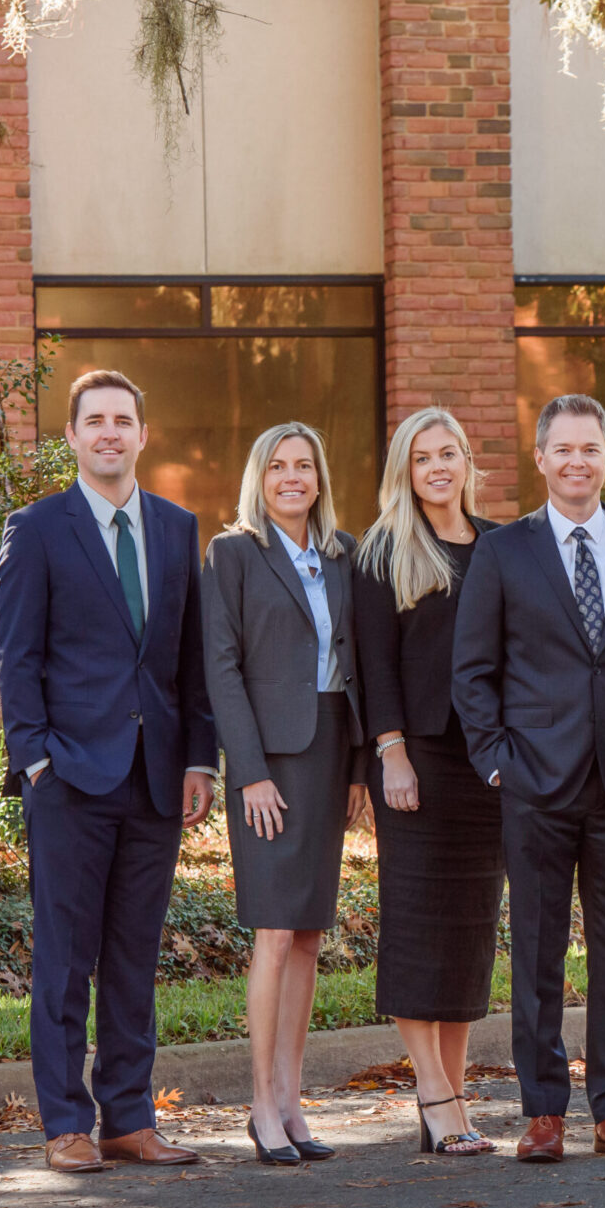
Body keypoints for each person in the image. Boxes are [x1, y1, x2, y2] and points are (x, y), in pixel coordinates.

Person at [451, 393, 605, 1164]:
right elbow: (472, 670)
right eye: (564, 449)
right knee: (537, 953)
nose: (577, 461)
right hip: (534, 782)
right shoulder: (503, 551)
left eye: (591, 448)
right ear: (541, 458)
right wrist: (496, 760)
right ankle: (544, 1111)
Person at [0, 369, 218, 1174]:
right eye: (95, 421)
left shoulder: (176, 528)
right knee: (64, 959)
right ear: (73, 436)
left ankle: (129, 1118)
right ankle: (65, 1124)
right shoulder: (37, 529)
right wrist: (36, 760)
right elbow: (17, 657)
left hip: (155, 777)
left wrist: (199, 757)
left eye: (123, 419)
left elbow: (190, 659)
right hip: (68, 778)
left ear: (143, 435)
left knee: (133, 956)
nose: (110, 433)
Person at [201, 422, 368, 1165]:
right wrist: (250, 771)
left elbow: (358, 663)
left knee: (308, 936)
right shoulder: (233, 553)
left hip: (330, 750)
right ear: (259, 479)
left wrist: (359, 767)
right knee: (273, 931)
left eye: (304, 465)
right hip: (269, 760)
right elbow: (222, 666)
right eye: (278, 466)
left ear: (319, 478)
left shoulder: (343, 553)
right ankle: (261, 1105)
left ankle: (294, 1103)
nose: (292, 477)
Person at [353, 408, 504, 1156]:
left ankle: (455, 1092)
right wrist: (391, 753)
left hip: (489, 764)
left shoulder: (503, 545)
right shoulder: (383, 551)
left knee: (470, 931)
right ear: (405, 472)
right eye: (422, 458)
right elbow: (374, 663)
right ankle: (433, 1093)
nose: (437, 467)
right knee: (417, 930)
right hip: (416, 762)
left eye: (448, 453)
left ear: (467, 459)